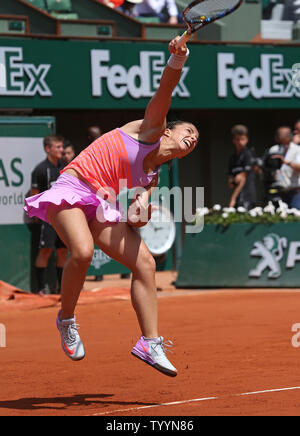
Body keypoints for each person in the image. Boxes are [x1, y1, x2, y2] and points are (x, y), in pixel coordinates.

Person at [24, 37, 198, 377]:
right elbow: (166, 89)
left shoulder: (153, 175)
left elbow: (138, 218)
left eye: (196, 141)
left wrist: (139, 209)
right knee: (83, 251)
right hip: (74, 186)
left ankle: (150, 342)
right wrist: (177, 59)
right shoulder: (152, 128)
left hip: (101, 203)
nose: (192, 138)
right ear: (169, 132)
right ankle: (67, 319)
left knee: (145, 262)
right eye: (188, 130)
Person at [29, 135, 68, 295]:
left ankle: (60, 288)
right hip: (47, 219)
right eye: (58, 147)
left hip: (64, 218)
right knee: (45, 251)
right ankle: (41, 288)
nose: (61, 150)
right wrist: (40, 219)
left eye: (61, 146)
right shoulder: (39, 170)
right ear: (48, 149)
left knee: (62, 252)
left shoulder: (66, 167)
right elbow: (34, 195)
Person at [264, 126, 300, 209]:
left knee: (296, 217)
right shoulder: (274, 149)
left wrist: (286, 162)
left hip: (295, 192)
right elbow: (267, 167)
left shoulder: (297, 149)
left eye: (284, 134)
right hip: (278, 192)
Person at [228, 125, 257, 210]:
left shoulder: (248, 154)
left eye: (242, 139)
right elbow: (230, 182)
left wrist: (233, 199)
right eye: (238, 139)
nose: (240, 142)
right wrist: (233, 180)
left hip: (248, 195)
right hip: (237, 196)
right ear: (234, 140)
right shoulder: (232, 158)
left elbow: (242, 178)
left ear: (247, 140)